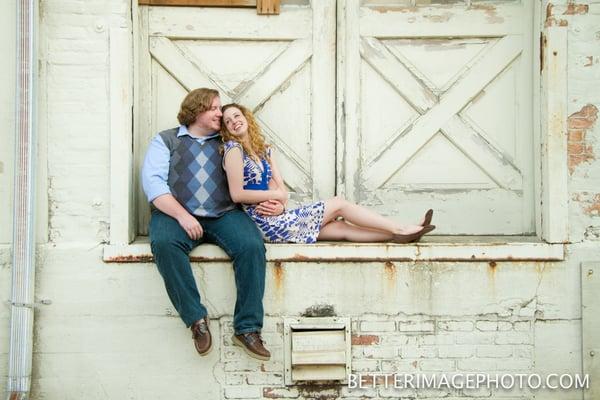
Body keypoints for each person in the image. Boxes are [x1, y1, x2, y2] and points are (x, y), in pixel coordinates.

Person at [141, 89, 271, 361]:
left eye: (220, 108)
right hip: (176, 214)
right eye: (213, 108)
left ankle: (247, 328)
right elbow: (153, 185)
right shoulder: (166, 140)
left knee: (251, 245)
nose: (220, 113)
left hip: (224, 214)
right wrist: (182, 216)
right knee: (164, 244)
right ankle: (196, 320)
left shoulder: (228, 142)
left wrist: (276, 200)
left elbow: (259, 172)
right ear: (196, 110)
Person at [220, 103, 435, 244]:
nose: (233, 121)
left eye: (236, 115)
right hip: (264, 224)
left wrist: (280, 202)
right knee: (339, 203)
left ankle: (400, 236)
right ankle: (402, 227)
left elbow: (282, 191)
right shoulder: (233, 150)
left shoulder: (265, 150)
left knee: (341, 228)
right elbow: (238, 195)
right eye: (227, 121)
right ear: (225, 129)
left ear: (246, 117)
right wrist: (275, 196)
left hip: (279, 216)